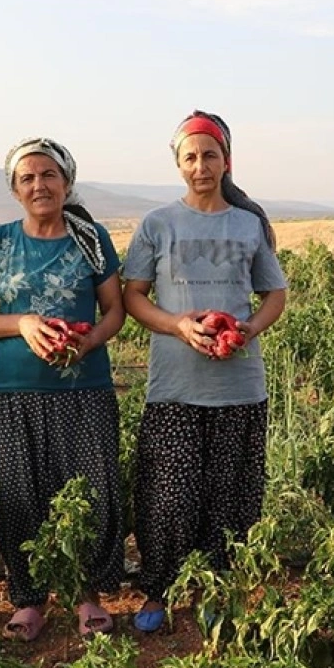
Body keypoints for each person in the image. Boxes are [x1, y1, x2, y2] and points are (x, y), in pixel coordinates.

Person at [121, 110, 288, 633]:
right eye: (190, 157)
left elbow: (274, 294)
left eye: (209, 155)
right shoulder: (157, 224)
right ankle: (160, 589)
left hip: (238, 384)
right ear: (178, 163)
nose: (200, 166)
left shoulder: (248, 224)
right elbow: (132, 296)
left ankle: (217, 588)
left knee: (231, 493)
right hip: (175, 384)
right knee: (168, 493)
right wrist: (177, 326)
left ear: (226, 160)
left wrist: (247, 331)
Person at [0, 137, 126, 640]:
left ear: (67, 183)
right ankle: (29, 599)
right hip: (13, 389)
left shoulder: (91, 238)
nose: (39, 185)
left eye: (48, 175)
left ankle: (87, 595)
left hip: (84, 386)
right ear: (15, 189)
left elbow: (114, 310)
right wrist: (24, 324)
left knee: (90, 490)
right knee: (19, 493)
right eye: (27, 178)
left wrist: (90, 340)